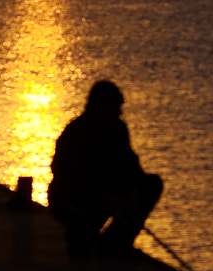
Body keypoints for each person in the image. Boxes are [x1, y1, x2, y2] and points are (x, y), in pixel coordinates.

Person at [47, 79, 163, 259]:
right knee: (82, 243)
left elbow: (131, 163)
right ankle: (81, 233)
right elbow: (70, 174)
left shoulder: (118, 129)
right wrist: (104, 195)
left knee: (152, 184)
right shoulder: (76, 132)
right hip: (74, 196)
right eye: (115, 107)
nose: (119, 112)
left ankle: (117, 242)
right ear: (99, 107)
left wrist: (132, 189)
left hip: (111, 193)